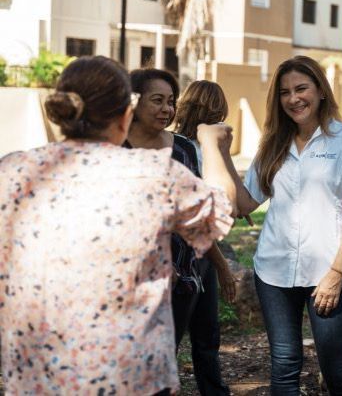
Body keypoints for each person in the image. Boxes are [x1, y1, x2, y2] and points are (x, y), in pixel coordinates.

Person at [0, 56, 236, 394]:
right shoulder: (154, 174)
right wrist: (212, 145)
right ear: (127, 114)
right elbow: (223, 209)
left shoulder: (12, 170)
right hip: (128, 375)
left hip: (35, 374)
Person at [232, 55, 342, 395]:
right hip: (273, 271)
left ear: (320, 91)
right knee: (283, 365)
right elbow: (246, 204)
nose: (293, 98)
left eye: (301, 88)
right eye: (285, 92)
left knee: (336, 369)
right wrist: (222, 152)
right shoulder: (272, 143)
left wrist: (335, 274)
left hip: (328, 272)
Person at [125, 69, 236, 357]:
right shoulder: (115, 148)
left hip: (181, 281)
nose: (167, 109)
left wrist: (221, 267)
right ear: (134, 102)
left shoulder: (184, 148)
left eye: (171, 101)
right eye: (157, 100)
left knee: (164, 360)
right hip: (129, 282)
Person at [173, 80, 236, 395]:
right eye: (218, 110)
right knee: (170, 341)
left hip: (203, 259)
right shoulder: (181, 150)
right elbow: (195, 222)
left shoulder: (205, 147)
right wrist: (223, 268)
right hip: (181, 260)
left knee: (207, 336)